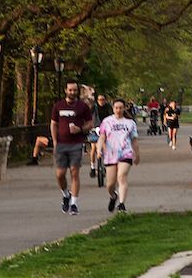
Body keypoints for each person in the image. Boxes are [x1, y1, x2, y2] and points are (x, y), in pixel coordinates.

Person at [48, 81, 98, 215]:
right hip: (61, 144)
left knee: (74, 172)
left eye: (75, 90)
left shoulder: (82, 107)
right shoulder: (58, 106)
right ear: (66, 90)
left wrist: (80, 129)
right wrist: (55, 141)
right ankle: (66, 195)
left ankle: (74, 204)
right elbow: (53, 124)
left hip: (76, 143)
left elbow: (90, 124)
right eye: (70, 90)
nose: (72, 92)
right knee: (60, 174)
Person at [98, 99, 139, 212]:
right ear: (113, 109)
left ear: (124, 108)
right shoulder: (107, 121)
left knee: (121, 176)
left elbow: (134, 140)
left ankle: (121, 204)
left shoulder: (130, 123)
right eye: (116, 108)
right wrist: (99, 149)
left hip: (125, 153)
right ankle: (113, 196)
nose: (118, 110)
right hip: (111, 154)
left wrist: (137, 154)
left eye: (121, 108)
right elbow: (102, 137)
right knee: (110, 184)